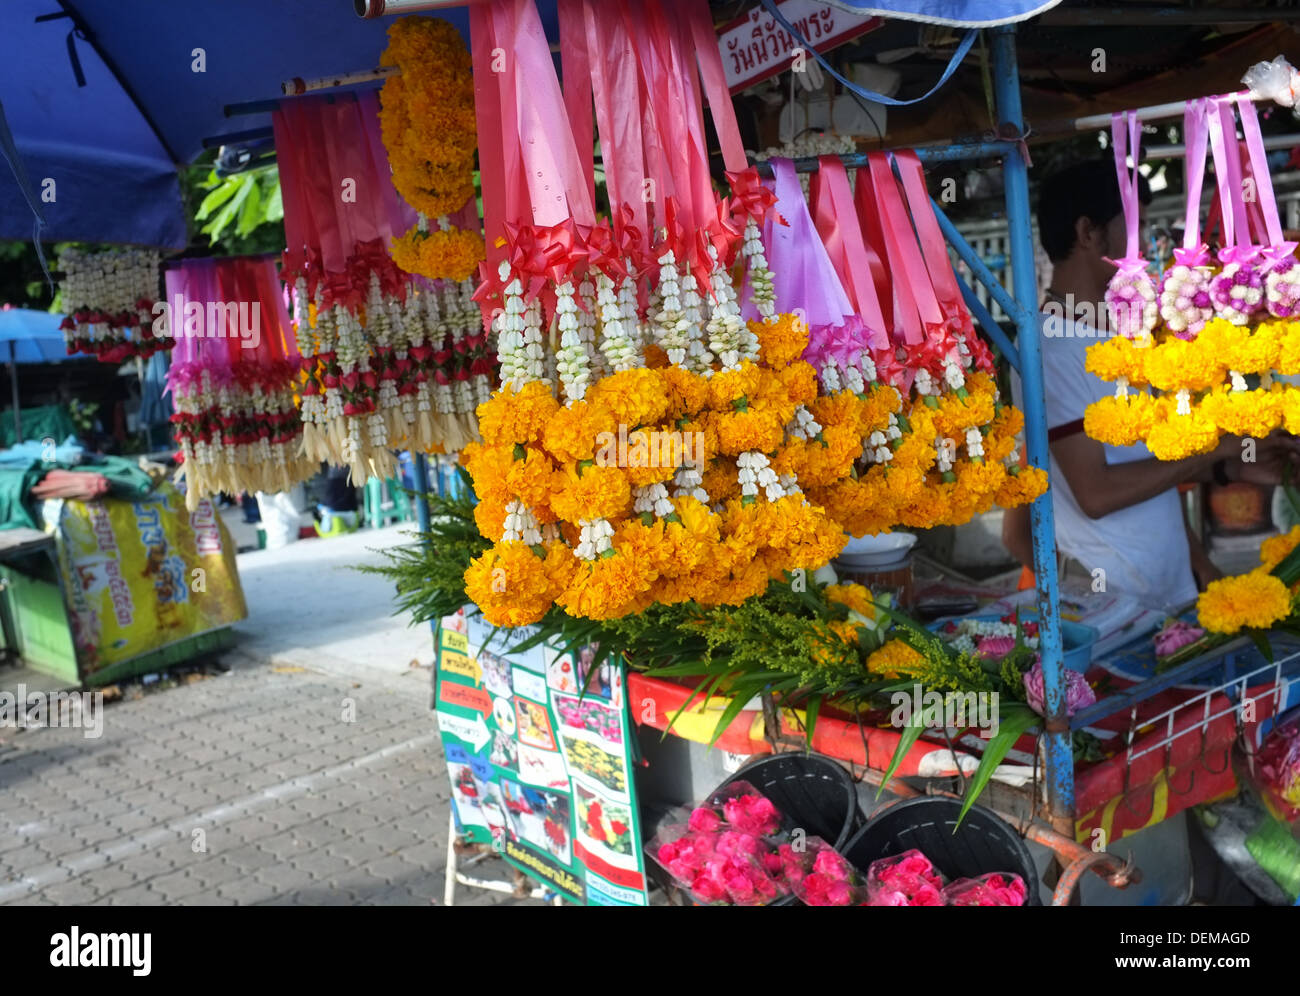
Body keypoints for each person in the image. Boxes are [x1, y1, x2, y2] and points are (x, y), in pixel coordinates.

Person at [1004, 157, 1300, 612]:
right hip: (1116, 604)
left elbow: (1145, 466)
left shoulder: (1119, 334)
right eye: (1135, 227)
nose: (1144, 247)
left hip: (1169, 589)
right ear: (1089, 233)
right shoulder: (1049, 349)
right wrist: (1218, 451)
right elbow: (1097, 494)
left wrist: (1236, 468)